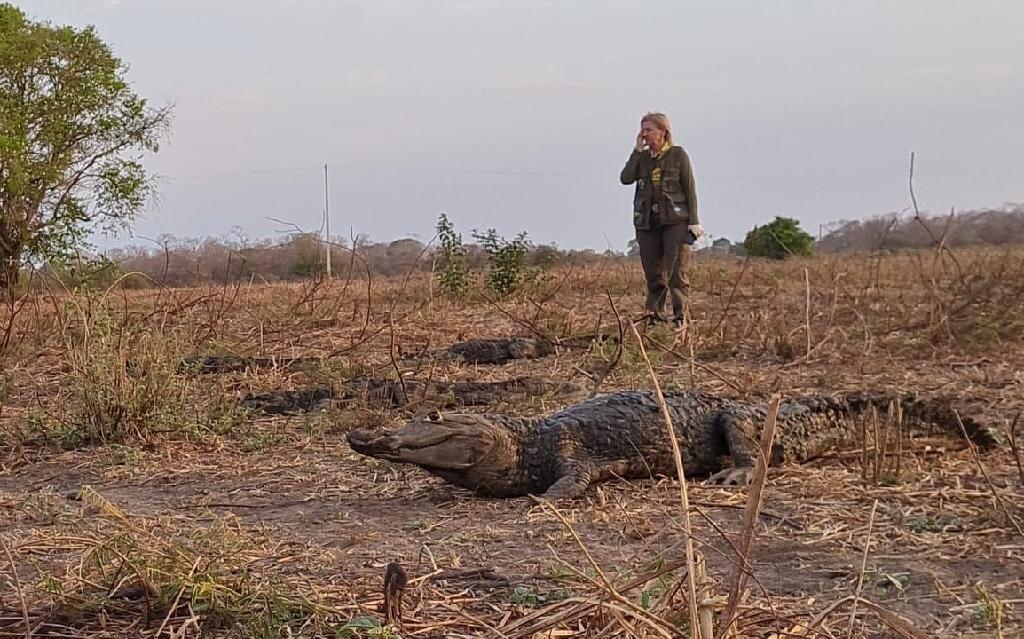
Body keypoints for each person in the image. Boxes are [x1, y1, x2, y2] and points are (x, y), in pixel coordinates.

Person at [620, 112, 702, 327]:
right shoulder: (643, 158)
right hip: (647, 222)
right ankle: (654, 317)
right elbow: (626, 178)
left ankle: (679, 318)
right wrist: (637, 152)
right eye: (642, 130)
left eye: (649, 130)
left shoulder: (677, 155)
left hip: (675, 220)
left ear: (663, 131)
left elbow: (690, 189)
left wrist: (694, 221)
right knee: (654, 274)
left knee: (677, 272)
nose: (644, 134)